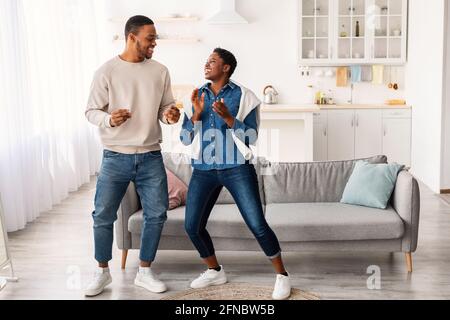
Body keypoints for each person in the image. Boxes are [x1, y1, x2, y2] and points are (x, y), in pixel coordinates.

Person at [180, 48, 291, 300]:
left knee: (257, 224)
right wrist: (196, 114)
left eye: (213, 61)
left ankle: (282, 275)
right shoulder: (197, 95)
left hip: (237, 167)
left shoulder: (244, 96)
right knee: (192, 226)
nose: (206, 64)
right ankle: (214, 270)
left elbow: (251, 137)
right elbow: (185, 139)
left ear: (226, 68)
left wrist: (230, 119)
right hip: (203, 169)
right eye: (206, 60)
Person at [84, 15, 180, 297]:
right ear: (131, 37)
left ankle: (145, 271)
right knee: (102, 214)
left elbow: (167, 107)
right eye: (150, 38)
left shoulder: (160, 71)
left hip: (151, 155)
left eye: (155, 38)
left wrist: (170, 114)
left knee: (156, 214)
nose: (154, 43)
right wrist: (109, 120)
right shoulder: (107, 71)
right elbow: (91, 111)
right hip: (115, 156)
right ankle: (102, 272)